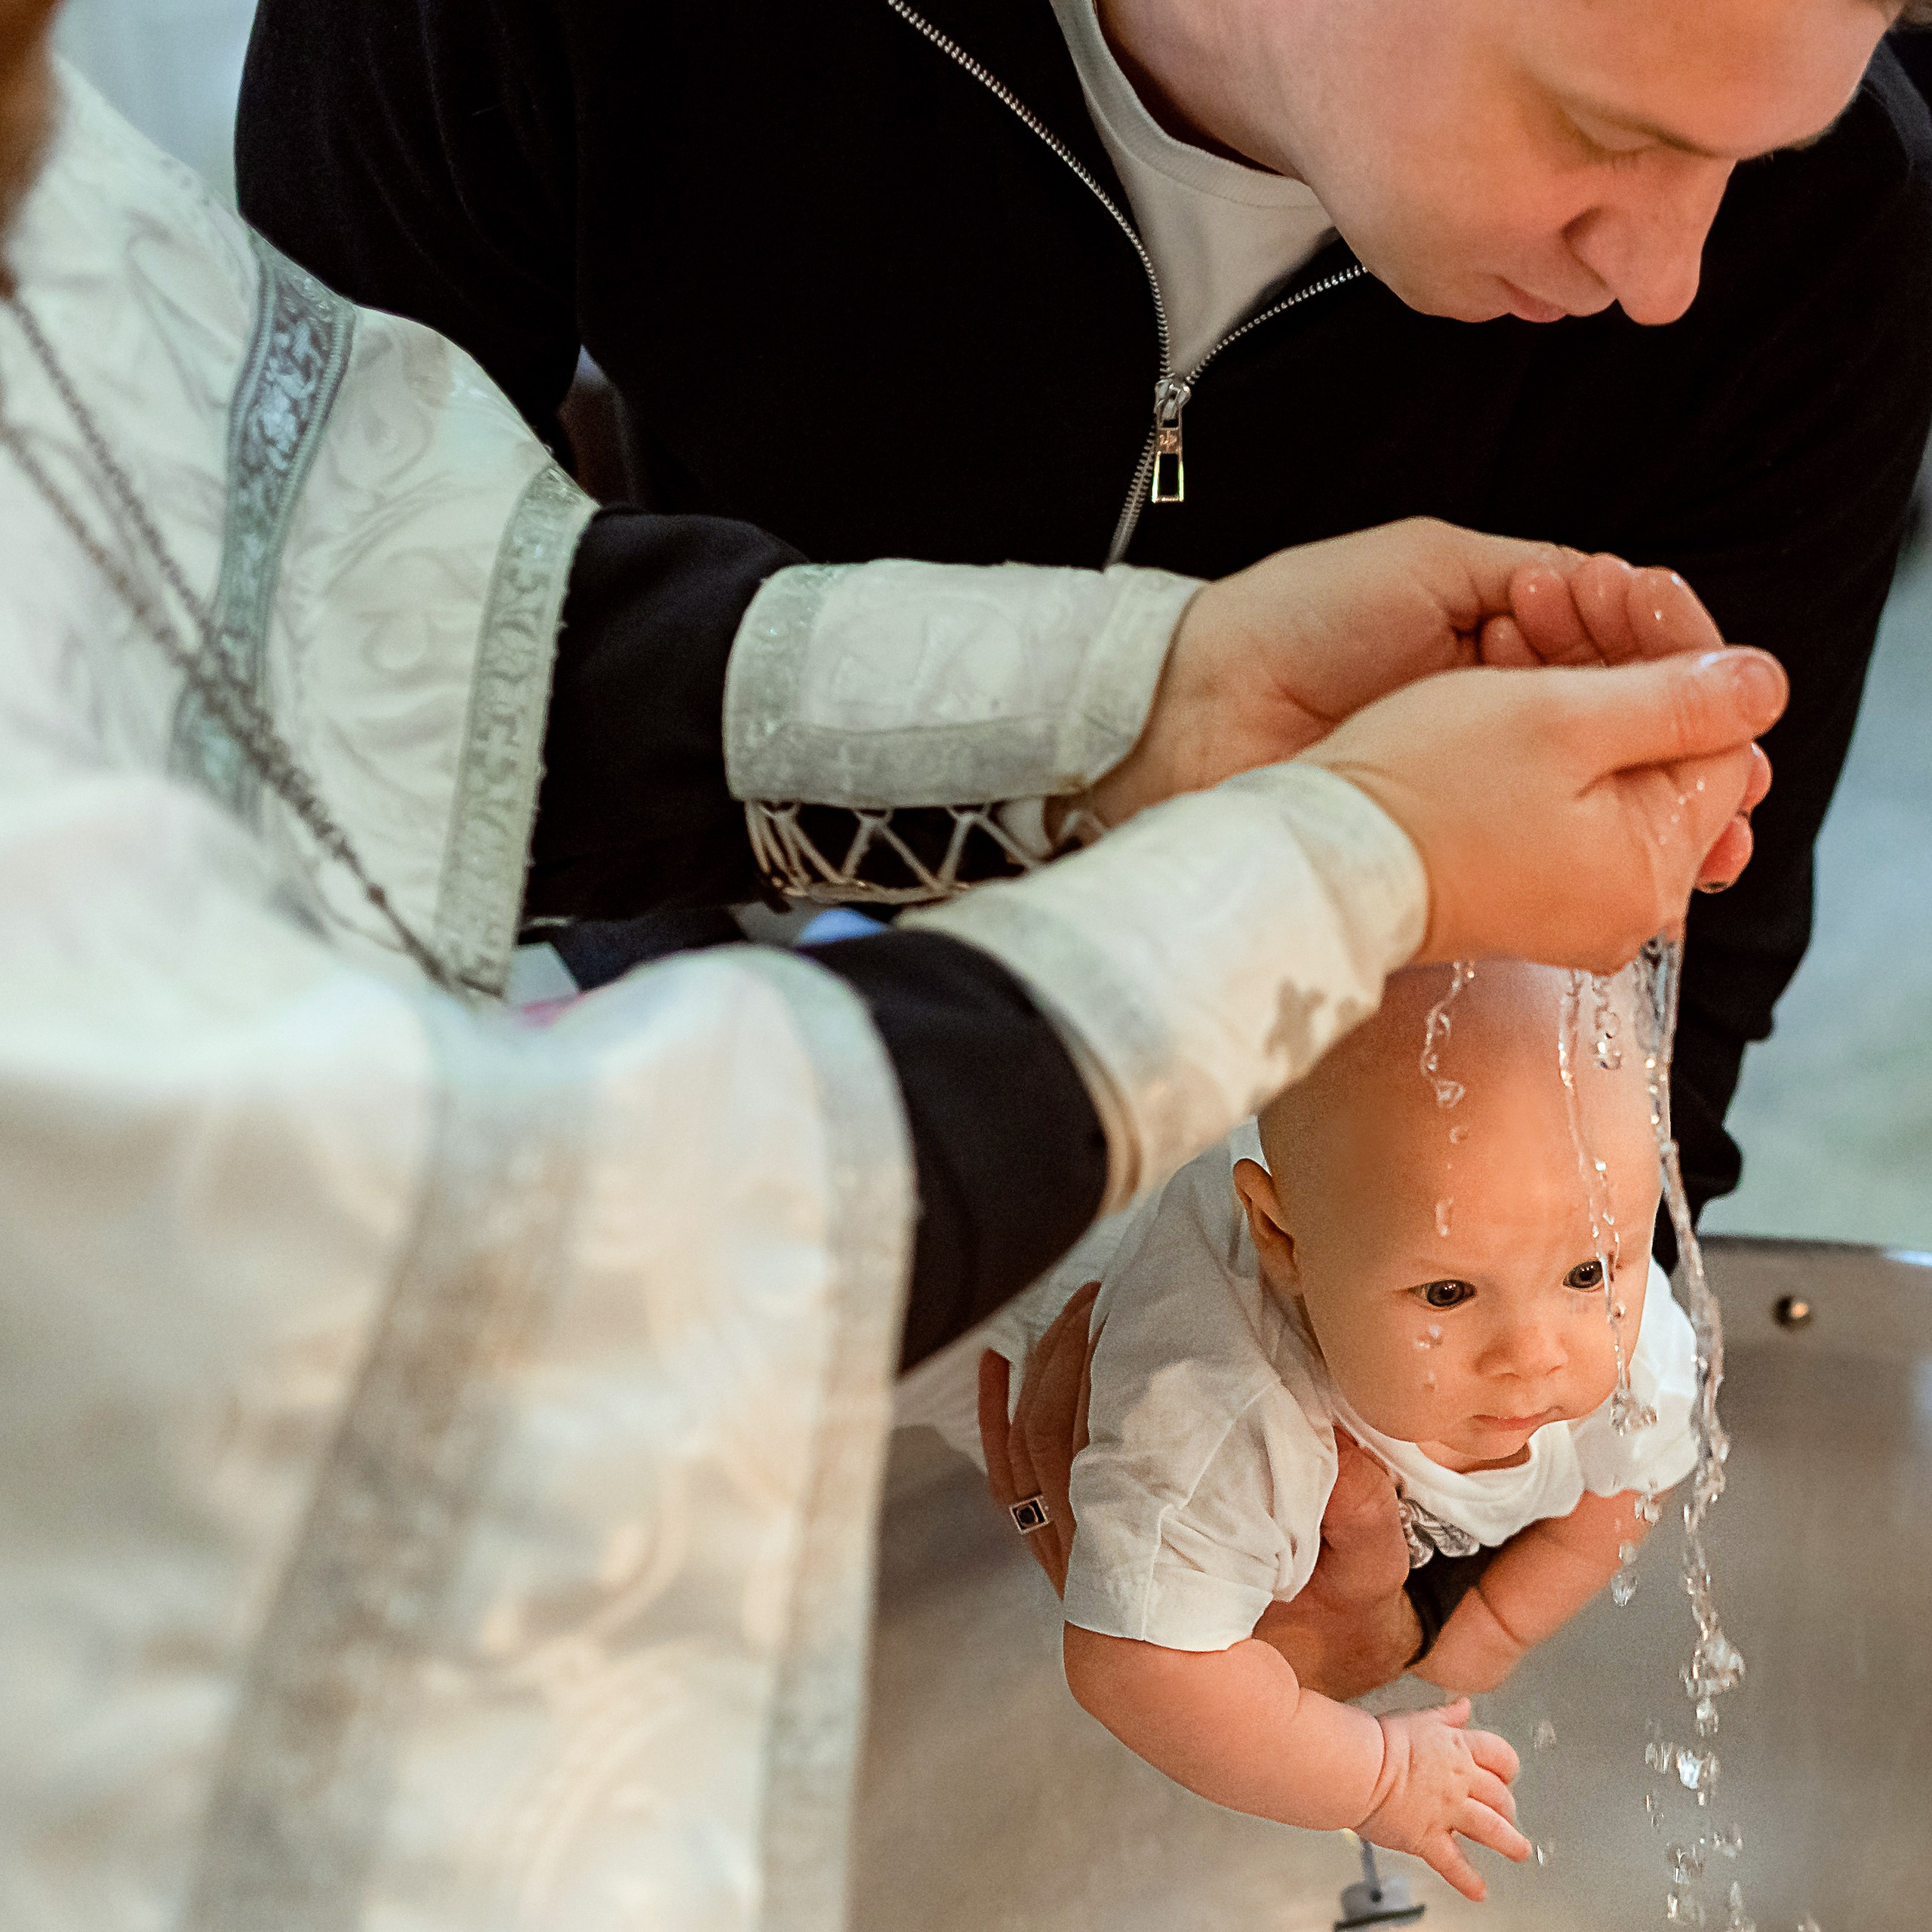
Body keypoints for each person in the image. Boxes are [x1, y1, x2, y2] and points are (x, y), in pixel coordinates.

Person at [0, 23, 1786, 1932]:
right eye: (1592, 123)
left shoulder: (52, 195)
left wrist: (1138, 704)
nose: (1671, 276)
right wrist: (1329, 866)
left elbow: (386, 618)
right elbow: (428, 1256)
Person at [235, 0, 1932, 1258]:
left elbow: (1676, 972)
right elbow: (312, 684)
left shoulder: (1837, 226)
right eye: (1609, 132)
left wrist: (1551, 1383)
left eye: (1751, 153)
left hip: (1302, 1163)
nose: (1666, 275)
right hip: (641, 1004)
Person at [961, 962, 1690, 1901]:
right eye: (1446, 1292)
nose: (1532, 1356)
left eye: (1587, 1273)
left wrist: (1496, 1627)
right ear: (1284, 1241)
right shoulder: (1222, 1418)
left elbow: (1639, 1478)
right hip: (993, 1261)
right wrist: (1376, 1777)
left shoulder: (1627, 1331)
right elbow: (1134, 1667)